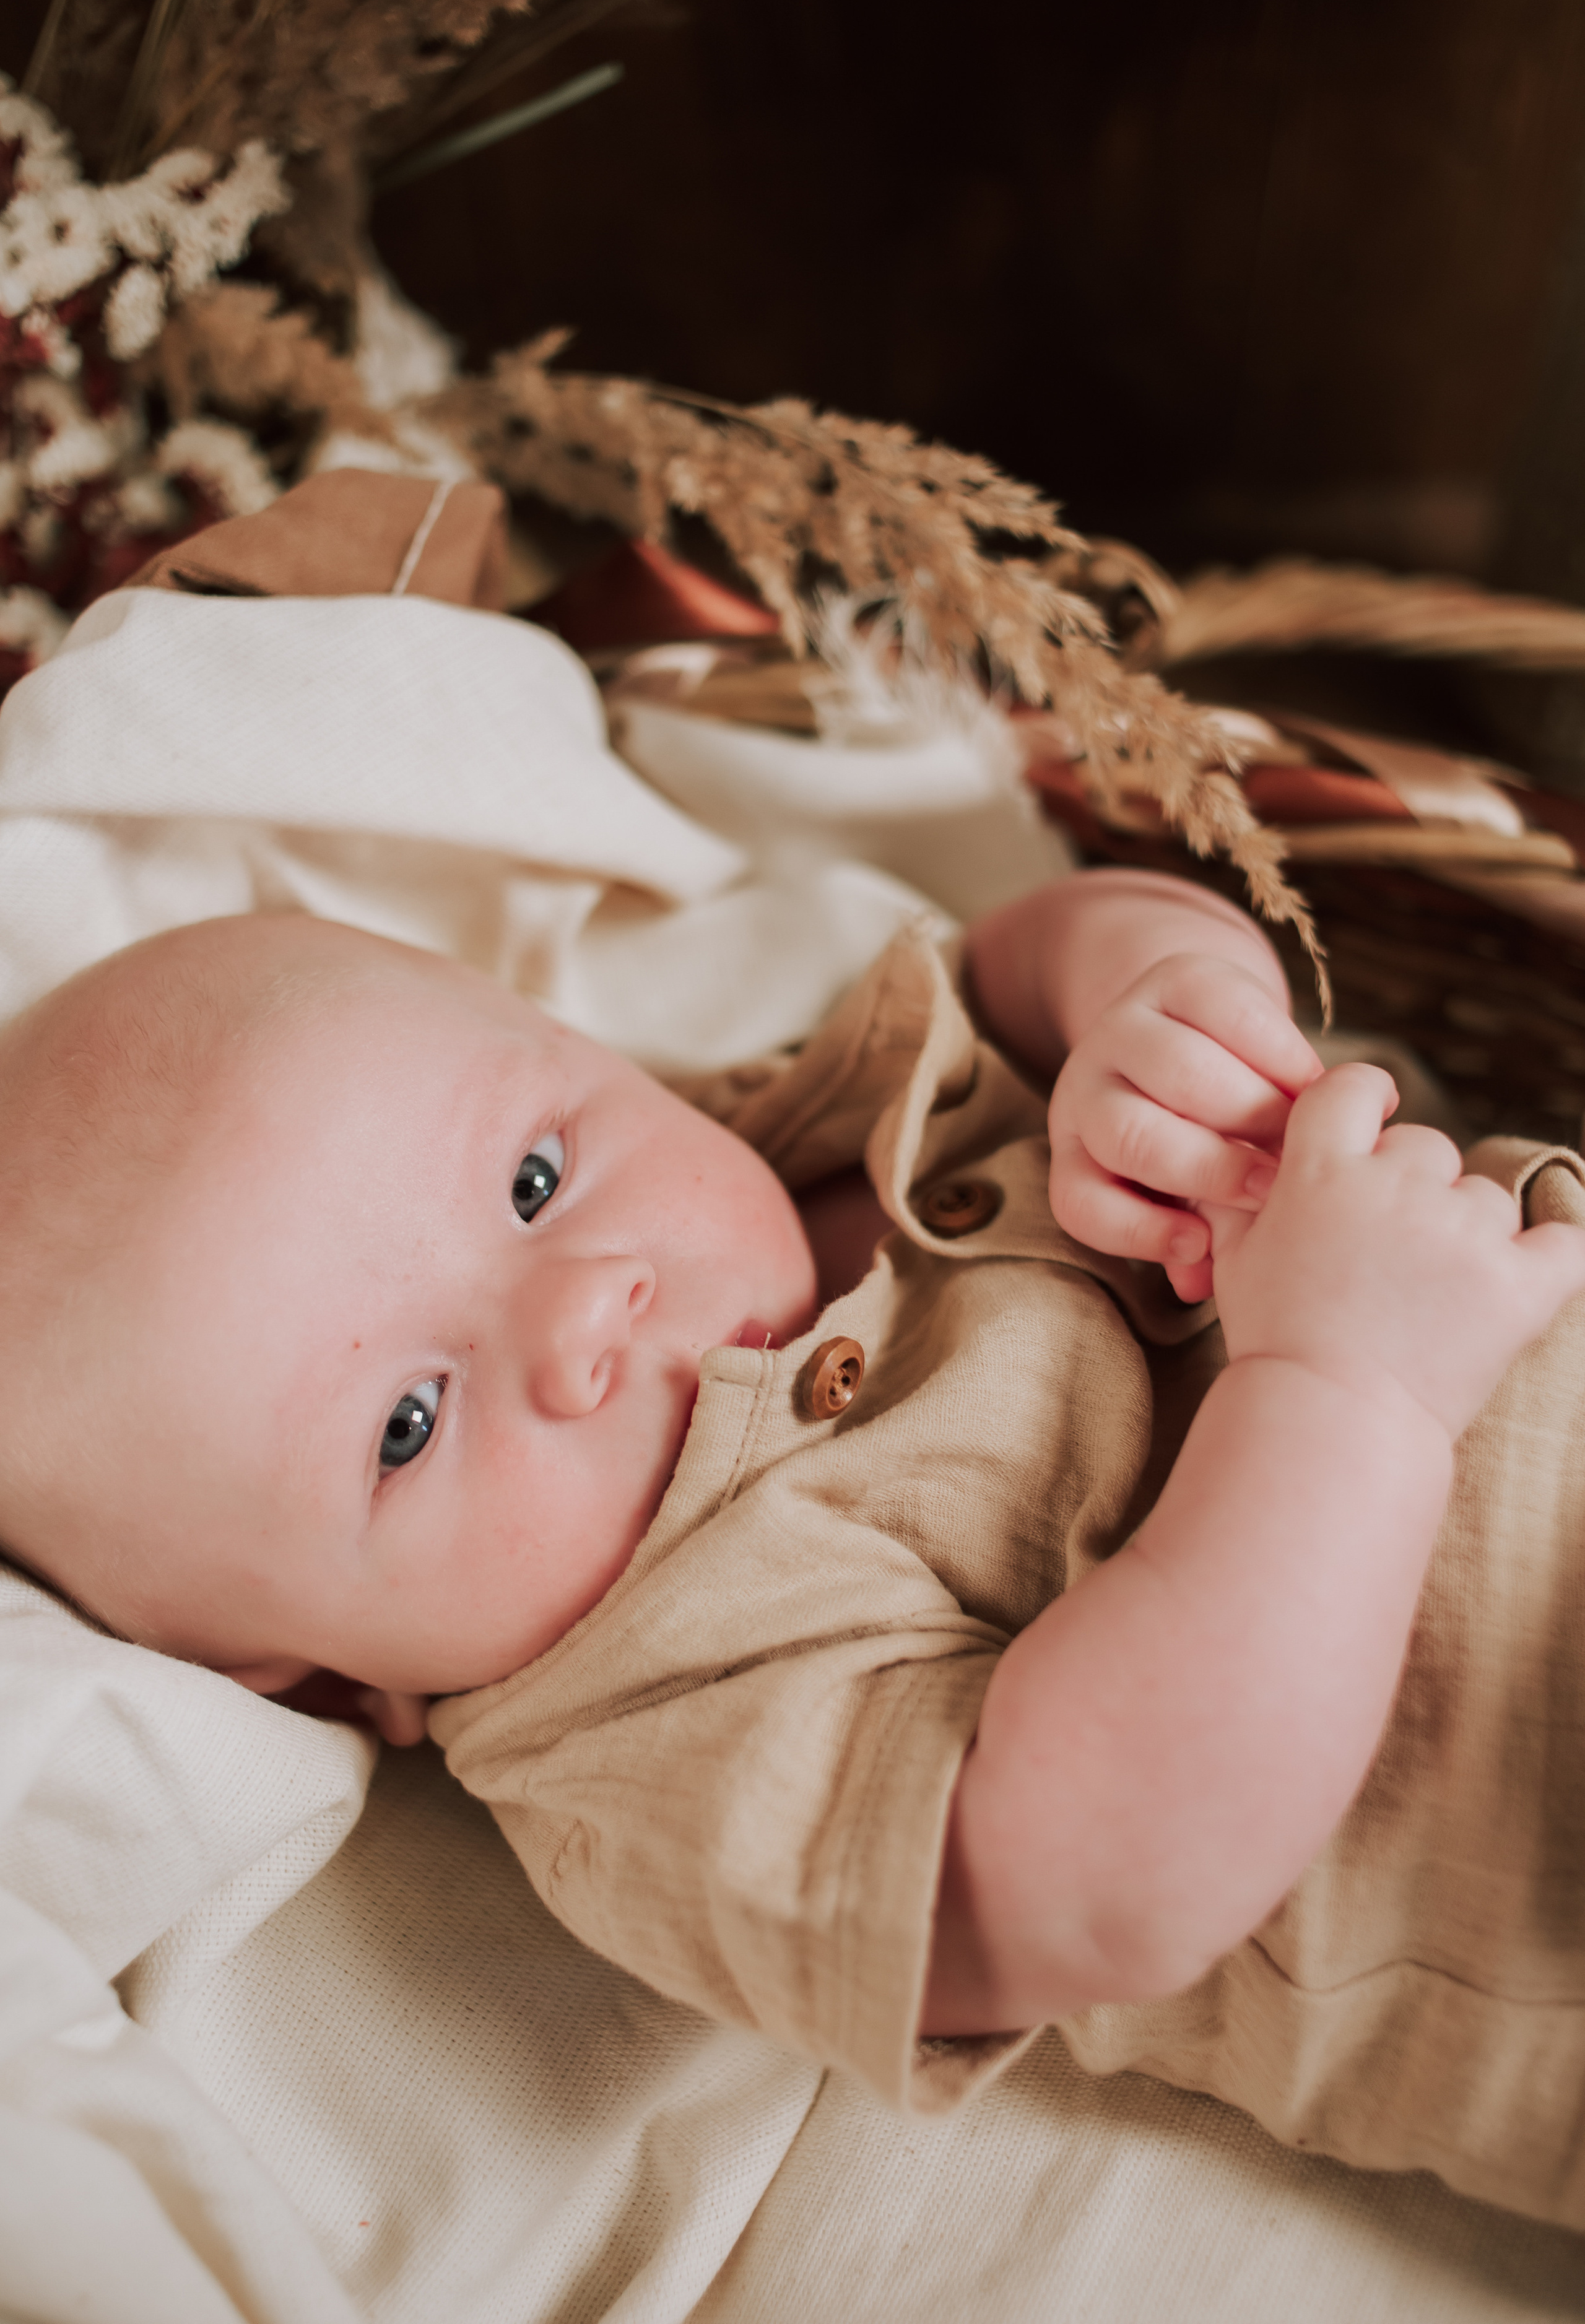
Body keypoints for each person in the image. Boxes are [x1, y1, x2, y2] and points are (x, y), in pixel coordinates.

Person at [4, 867, 1585, 2226]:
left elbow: (1016, 957)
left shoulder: (804, 1121)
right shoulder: (647, 1723)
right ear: (329, 1689)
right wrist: (1347, 1390)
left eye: (535, 1180)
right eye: (407, 1426)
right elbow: (1092, 1880)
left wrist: (1161, 1003)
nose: (585, 1304)